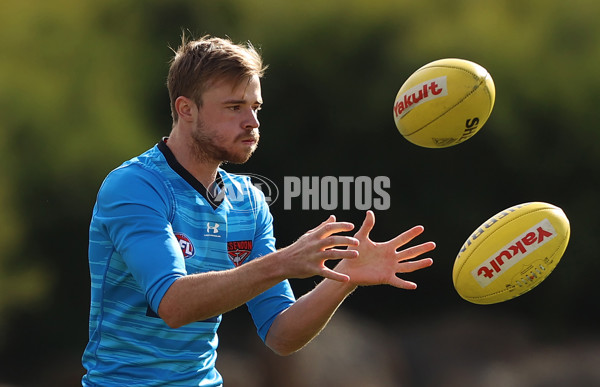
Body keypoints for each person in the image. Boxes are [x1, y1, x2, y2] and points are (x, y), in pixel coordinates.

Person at [81, 34, 436, 386]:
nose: (252, 121)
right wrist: (283, 261)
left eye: (256, 107)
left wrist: (343, 280)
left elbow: (281, 334)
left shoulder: (247, 201)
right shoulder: (135, 186)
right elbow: (173, 305)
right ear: (186, 109)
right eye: (235, 107)